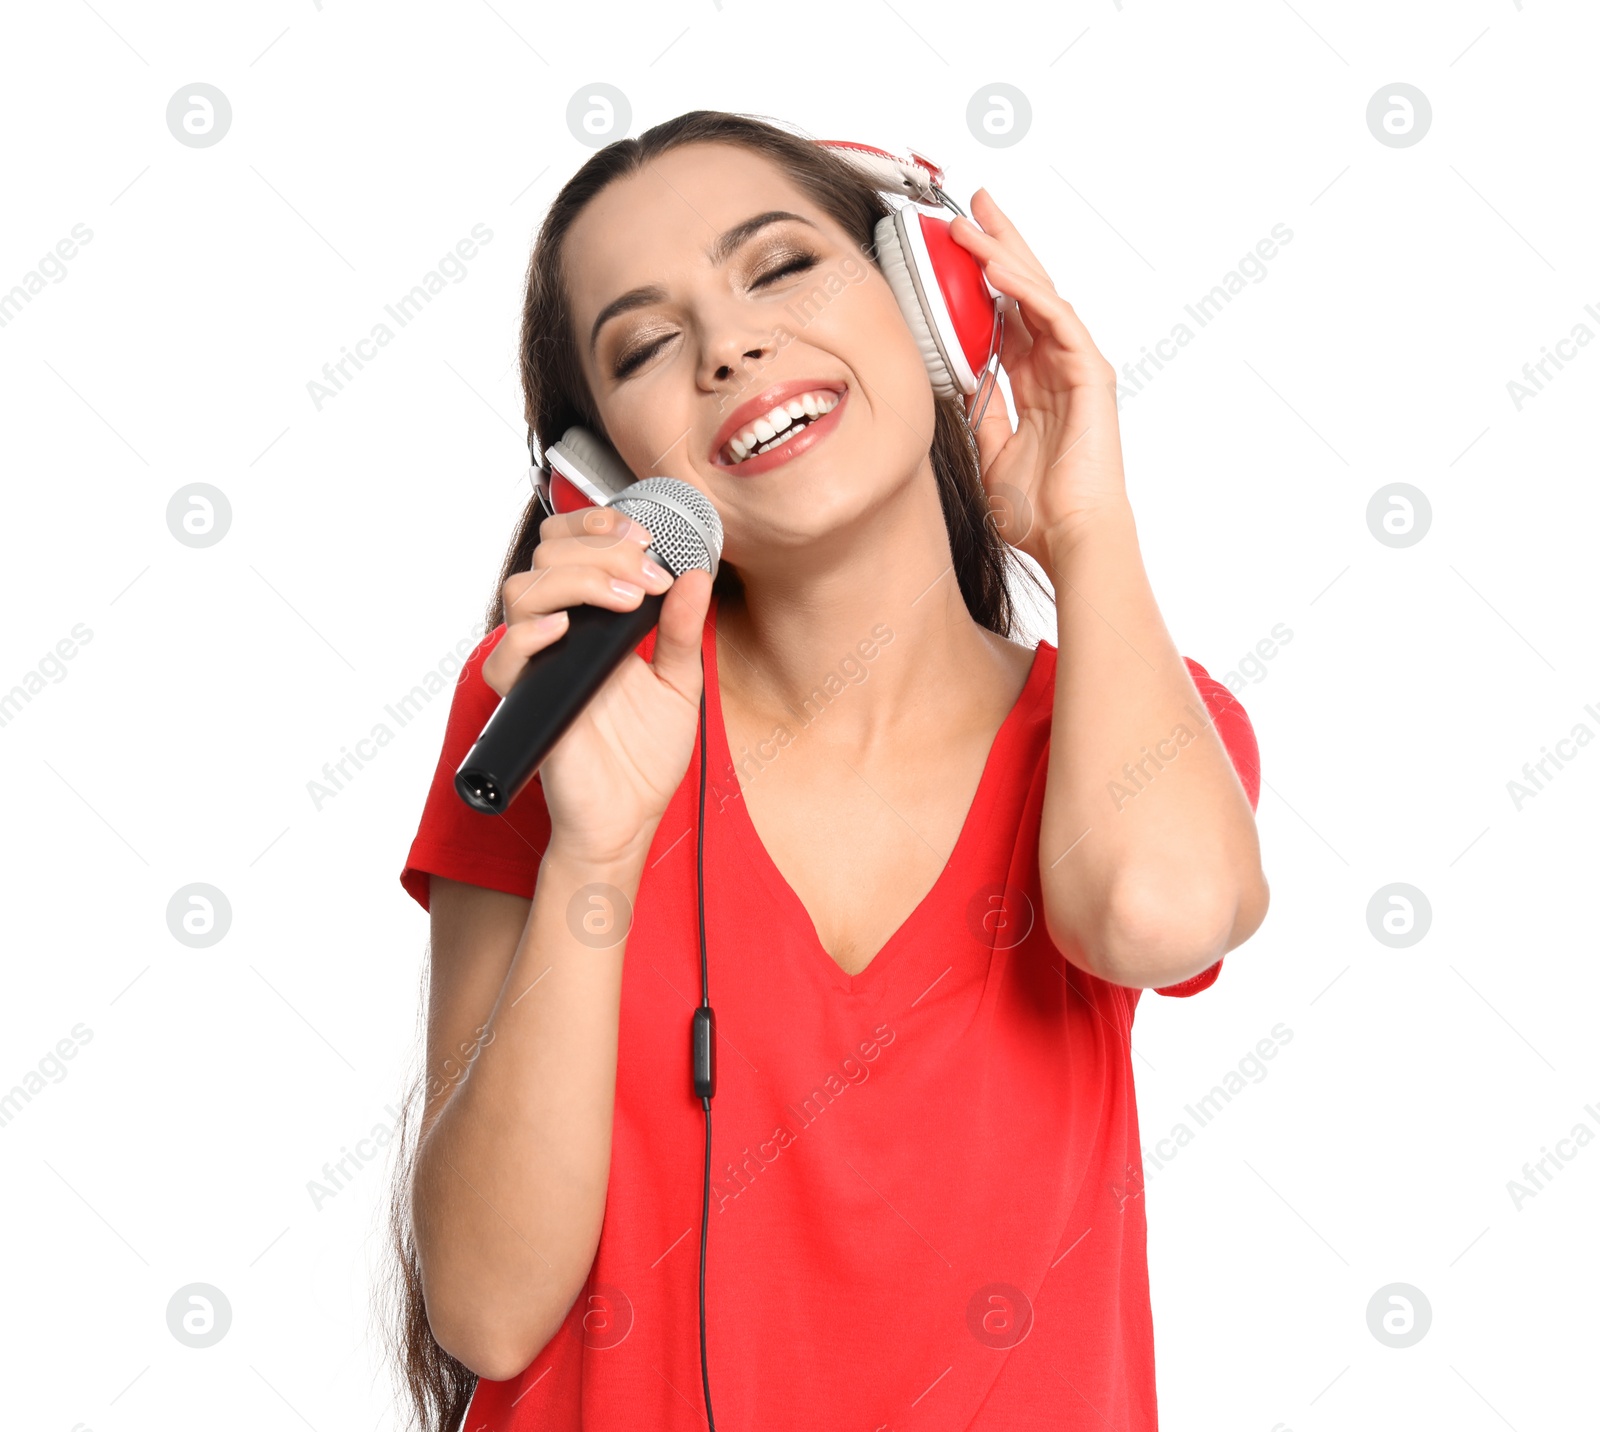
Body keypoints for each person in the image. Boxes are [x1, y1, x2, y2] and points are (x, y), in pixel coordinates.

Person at [386, 110, 1269, 1432]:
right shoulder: (554, 723)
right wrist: (599, 852)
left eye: (781, 266)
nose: (731, 345)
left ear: (931, 300)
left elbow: (1153, 913)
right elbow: (489, 1309)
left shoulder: (1132, 722)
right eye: (646, 341)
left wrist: (1085, 531)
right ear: (600, 474)